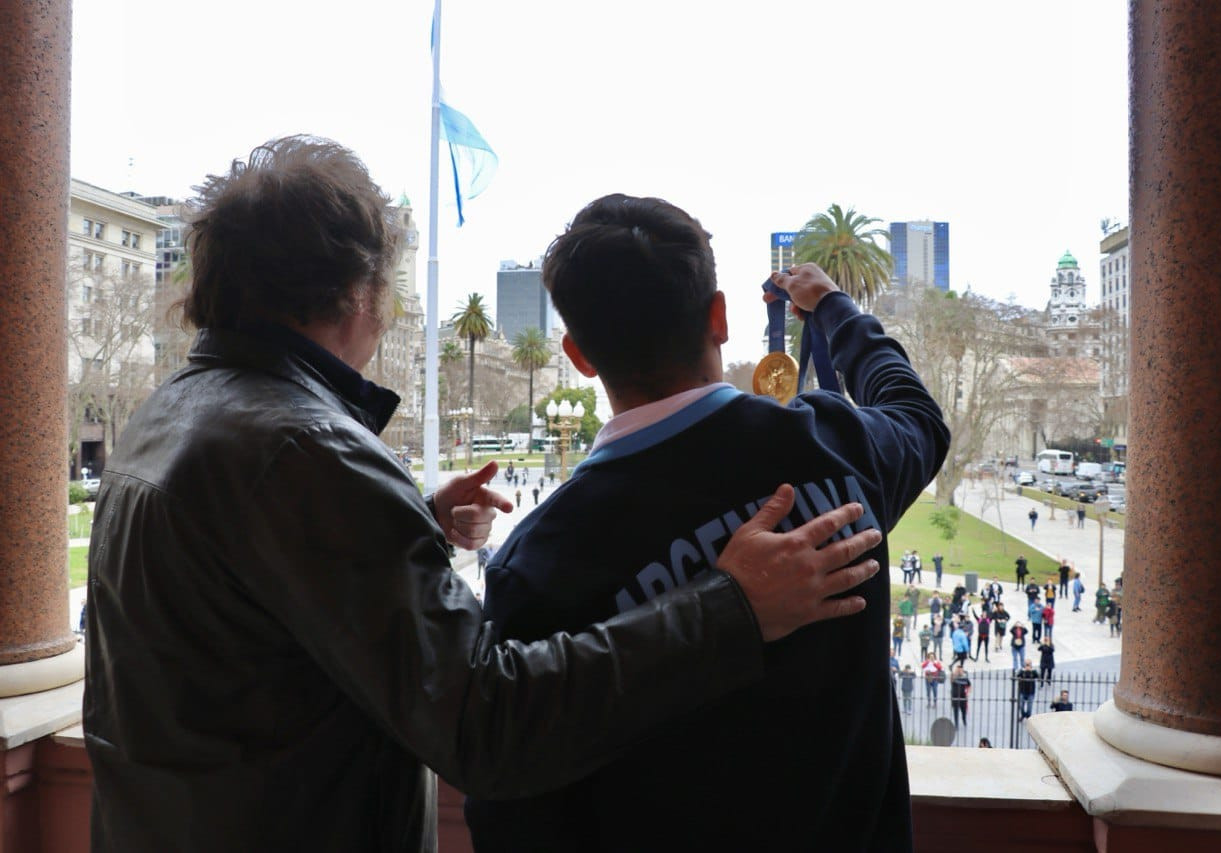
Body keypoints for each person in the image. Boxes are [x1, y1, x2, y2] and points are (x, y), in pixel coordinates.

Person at [81, 142, 886, 852]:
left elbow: (247, 626)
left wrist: (405, 525)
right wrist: (731, 606)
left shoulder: (171, 414)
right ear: (359, 293)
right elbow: (486, 722)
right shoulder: (301, 450)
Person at [465, 199, 948, 851]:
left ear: (579, 355)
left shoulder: (537, 560)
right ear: (718, 316)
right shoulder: (836, 444)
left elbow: (509, 806)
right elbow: (916, 413)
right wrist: (834, 309)